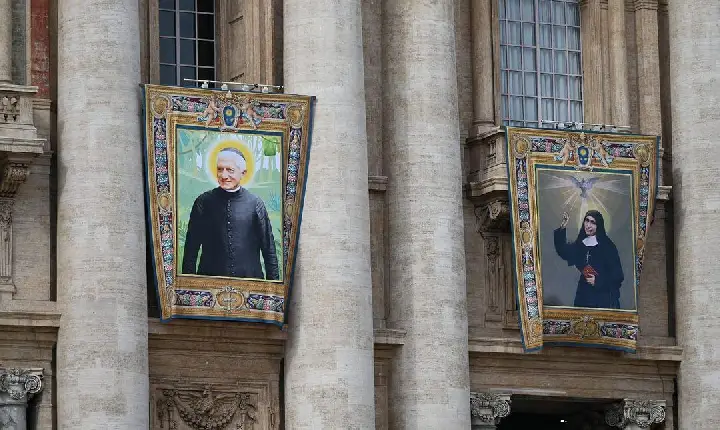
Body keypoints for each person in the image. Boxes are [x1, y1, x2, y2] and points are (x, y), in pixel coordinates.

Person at [182, 148, 279, 280]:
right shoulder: (203, 202)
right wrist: (190, 286)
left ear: (243, 173)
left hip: (250, 283)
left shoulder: (256, 204)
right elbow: (190, 251)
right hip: (210, 283)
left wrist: (272, 291)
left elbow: (269, 250)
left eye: (230, 170)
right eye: (220, 169)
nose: (224, 175)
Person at [553, 210, 623, 309]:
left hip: (602, 298)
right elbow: (564, 252)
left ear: (598, 225)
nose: (588, 225)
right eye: (587, 221)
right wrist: (563, 226)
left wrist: (598, 281)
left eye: (593, 222)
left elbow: (618, 275)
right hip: (584, 294)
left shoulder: (608, 246)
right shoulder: (581, 243)